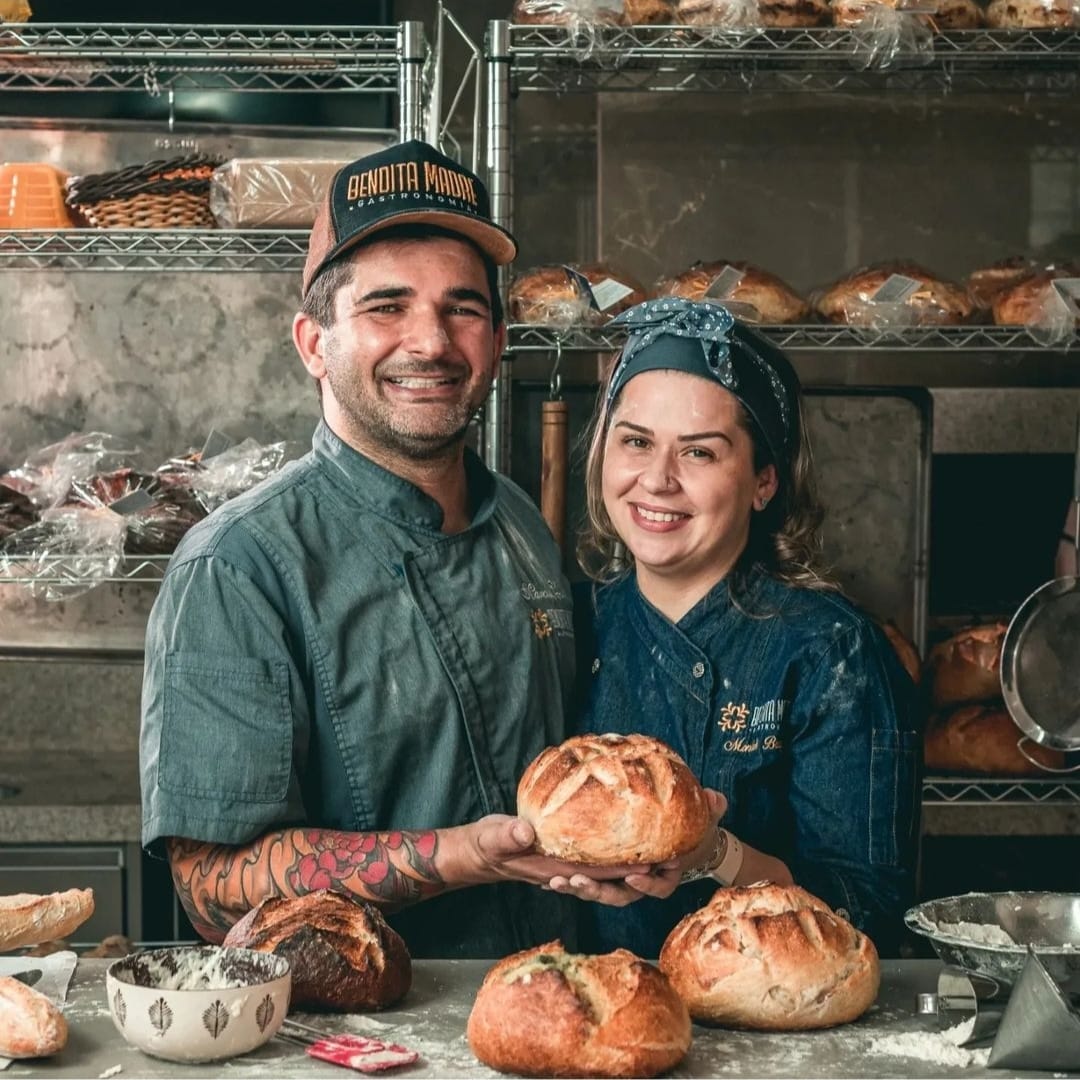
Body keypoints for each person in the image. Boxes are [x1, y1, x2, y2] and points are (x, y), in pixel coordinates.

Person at [138, 140, 650, 959]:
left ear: (498, 336)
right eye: (386, 307)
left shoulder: (518, 521)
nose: (432, 342)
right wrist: (463, 855)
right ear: (313, 343)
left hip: (547, 1006)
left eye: (463, 308)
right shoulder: (238, 566)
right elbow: (207, 886)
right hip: (351, 1039)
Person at [557, 297, 922, 958]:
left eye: (698, 453)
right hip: (593, 1021)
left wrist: (715, 854)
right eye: (636, 441)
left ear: (763, 482)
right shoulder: (564, 623)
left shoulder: (829, 650)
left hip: (771, 1031)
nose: (657, 480)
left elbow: (867, 909)